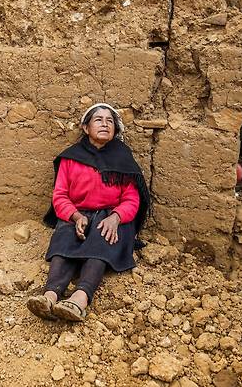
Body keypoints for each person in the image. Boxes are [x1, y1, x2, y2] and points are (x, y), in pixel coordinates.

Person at [27, 103, 150, 322]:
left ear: (115, 130)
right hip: (78, 214)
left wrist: (116, 217)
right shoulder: (71, 158)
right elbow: (60, 196)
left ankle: (80, 299)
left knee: (101, 241)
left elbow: (132, 199)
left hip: (111, 216)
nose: (105, 124)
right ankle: (50, 295)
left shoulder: (123, 159)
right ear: (86, 128)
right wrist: (75, 216)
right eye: (98, 120)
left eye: (109, 121)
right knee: (64, 239)